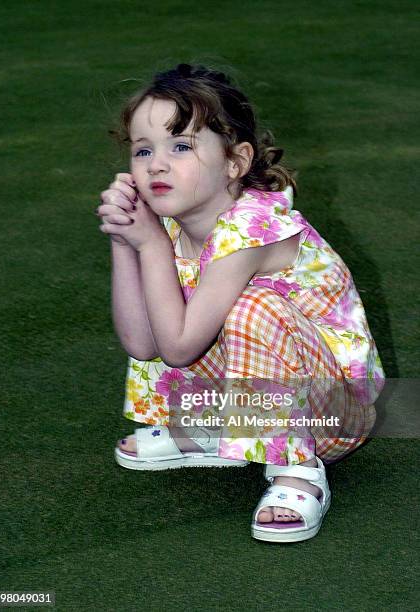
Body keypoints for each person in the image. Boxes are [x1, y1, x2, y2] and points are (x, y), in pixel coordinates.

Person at [96, 63, 385, 543]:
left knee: (252, 308)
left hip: (330, 414)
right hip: (255, 395)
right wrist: (126, 242)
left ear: (236, 161)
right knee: (169, 293)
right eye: (143, 149)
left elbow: (180, 348)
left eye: (181, 145)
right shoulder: (171, 218)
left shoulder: (254, 229)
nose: (156, 164)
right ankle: (202, 425)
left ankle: (296, 469)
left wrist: (149, 248)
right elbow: (143, 344)